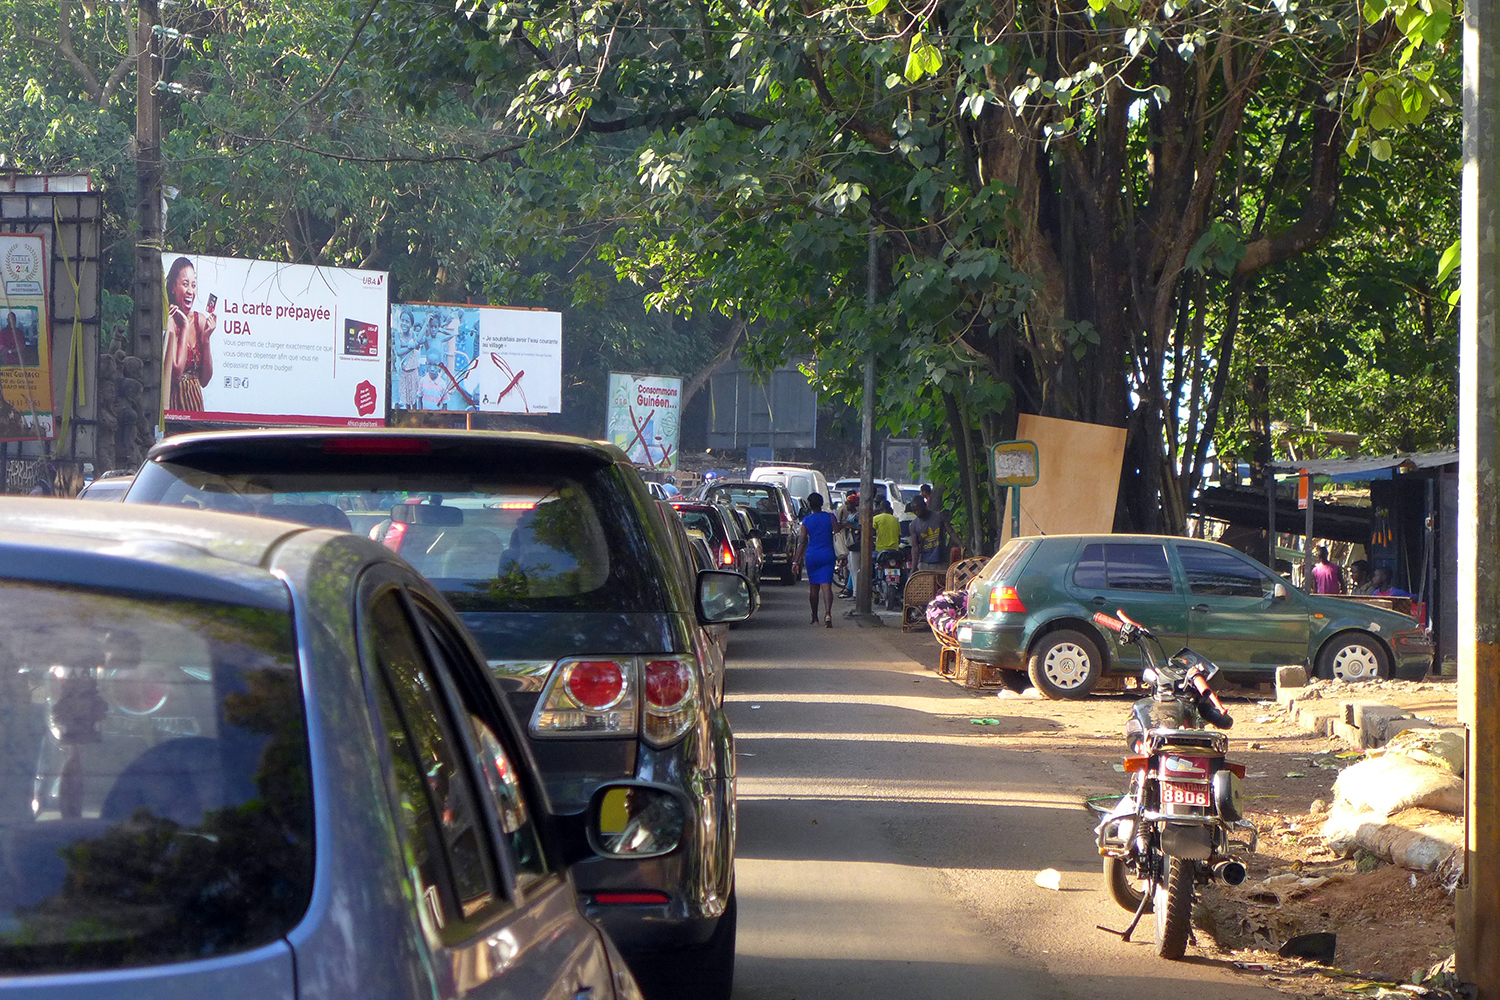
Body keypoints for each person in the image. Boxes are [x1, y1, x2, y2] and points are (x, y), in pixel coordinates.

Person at [163, 256, 216, 412]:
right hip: (173, 401)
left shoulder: (200, 320)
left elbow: (205, 380)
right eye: (185, 284)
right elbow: (176, 374)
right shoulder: (170, 320)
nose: (190, 291)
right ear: (173, 287)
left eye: (193, 285)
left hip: (195, 402)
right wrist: (185, 326)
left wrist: (206, 340)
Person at [793, 491, 837, 627]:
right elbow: (838, 533)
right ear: (822, 503)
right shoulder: (830, 517)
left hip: (812, 555)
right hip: (828, 554)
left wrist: (796, 560)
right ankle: (828, 613)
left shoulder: (806, 521)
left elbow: (802, 541)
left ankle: (815, 617)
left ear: (810, 505)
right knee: (827, 585)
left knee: (813, 588)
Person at [908, 497, 948, 571]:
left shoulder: (939, 517)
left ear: (924, 506)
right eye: (914, 511)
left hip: (941, 560)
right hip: (924, 562)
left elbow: (951, 532)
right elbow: (915, 547)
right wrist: (914, 567)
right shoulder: (913, 525)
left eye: (917, 509)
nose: (916, 512)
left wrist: (961, 545)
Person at [836, 493, 860, 598]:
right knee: (851, 568)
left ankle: (855, 593)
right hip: (850, 545)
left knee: (855, 570)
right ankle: (852, 591)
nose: (847, 506)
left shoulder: (858, 515)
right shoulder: (851, 515)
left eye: (849, 504)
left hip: (856, 545)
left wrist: (851, 526)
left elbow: (862, 528)